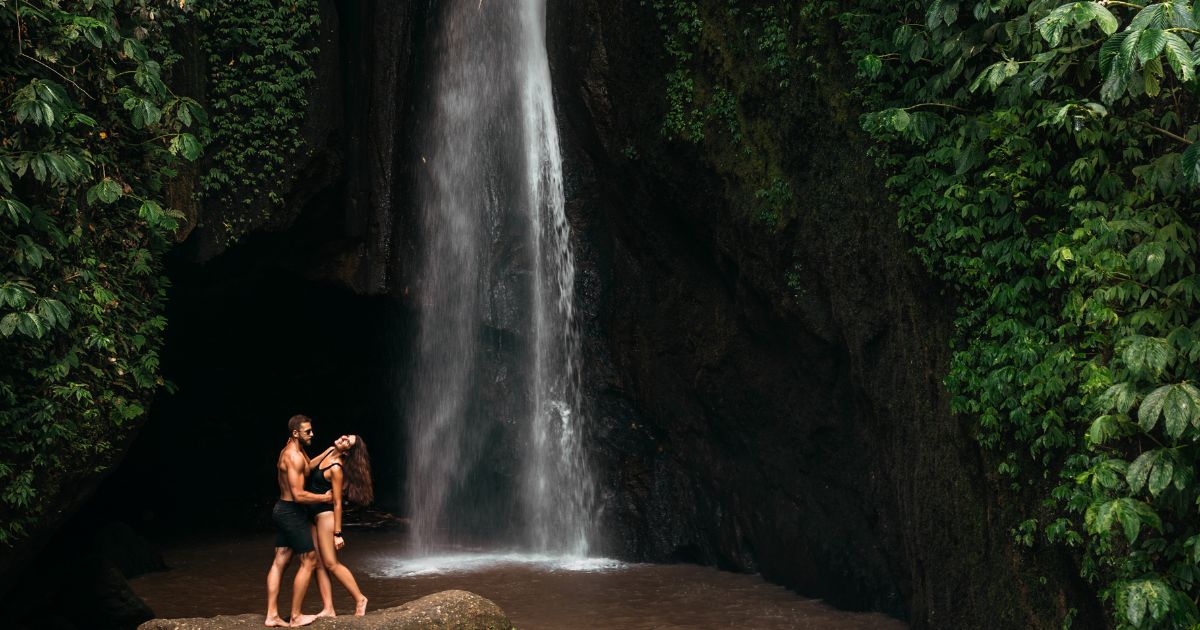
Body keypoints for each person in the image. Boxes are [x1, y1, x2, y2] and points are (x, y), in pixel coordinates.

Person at [265, 414, 334, 628]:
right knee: (310, 560)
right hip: (290, 512)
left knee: (281, 560)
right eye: (308, 431)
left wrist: (326, 453)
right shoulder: (292, 456)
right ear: (295, 433)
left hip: (285, 510)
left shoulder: (297, 451)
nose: (312, 434)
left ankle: (272, 616)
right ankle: (295, 616)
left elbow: (306, 467)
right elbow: (298, 495)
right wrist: (325, 498)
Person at [305, 434, 373, 616]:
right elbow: (309, 466)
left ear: (349, 451)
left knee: (331, 563)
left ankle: (360, 598)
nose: (343, 438)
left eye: (347, 441)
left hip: (325, 515)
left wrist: (337, 533)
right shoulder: (329, 451)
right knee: (318, 563)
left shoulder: (336, 468)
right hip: (311, 513)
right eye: (346, 435)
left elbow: (337, 503)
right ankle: (328, 608)